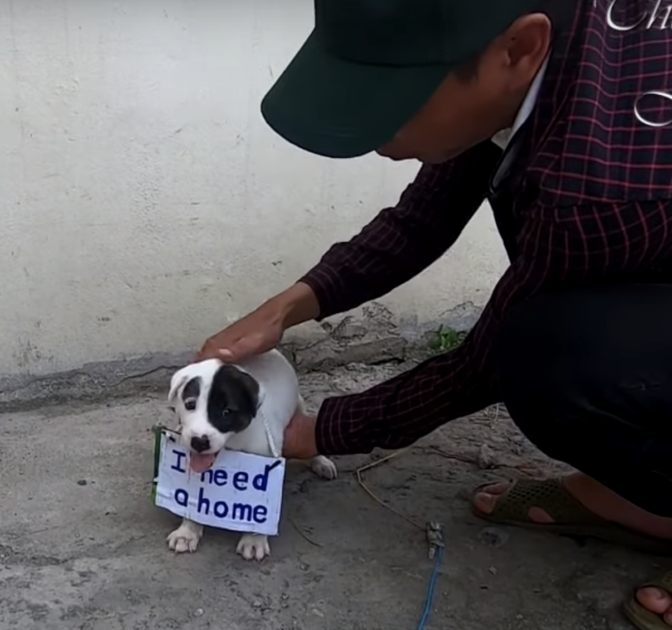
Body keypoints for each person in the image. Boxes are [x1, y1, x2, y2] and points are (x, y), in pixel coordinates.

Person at [195, 0, 672, 628]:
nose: (373, 135)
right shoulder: (533, 48)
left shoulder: (596, 185)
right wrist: (289, 305)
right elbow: (424, 220)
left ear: (517, 50)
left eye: (397, 100)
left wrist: (316, 431)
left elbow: (482, 364)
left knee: (553, 358)